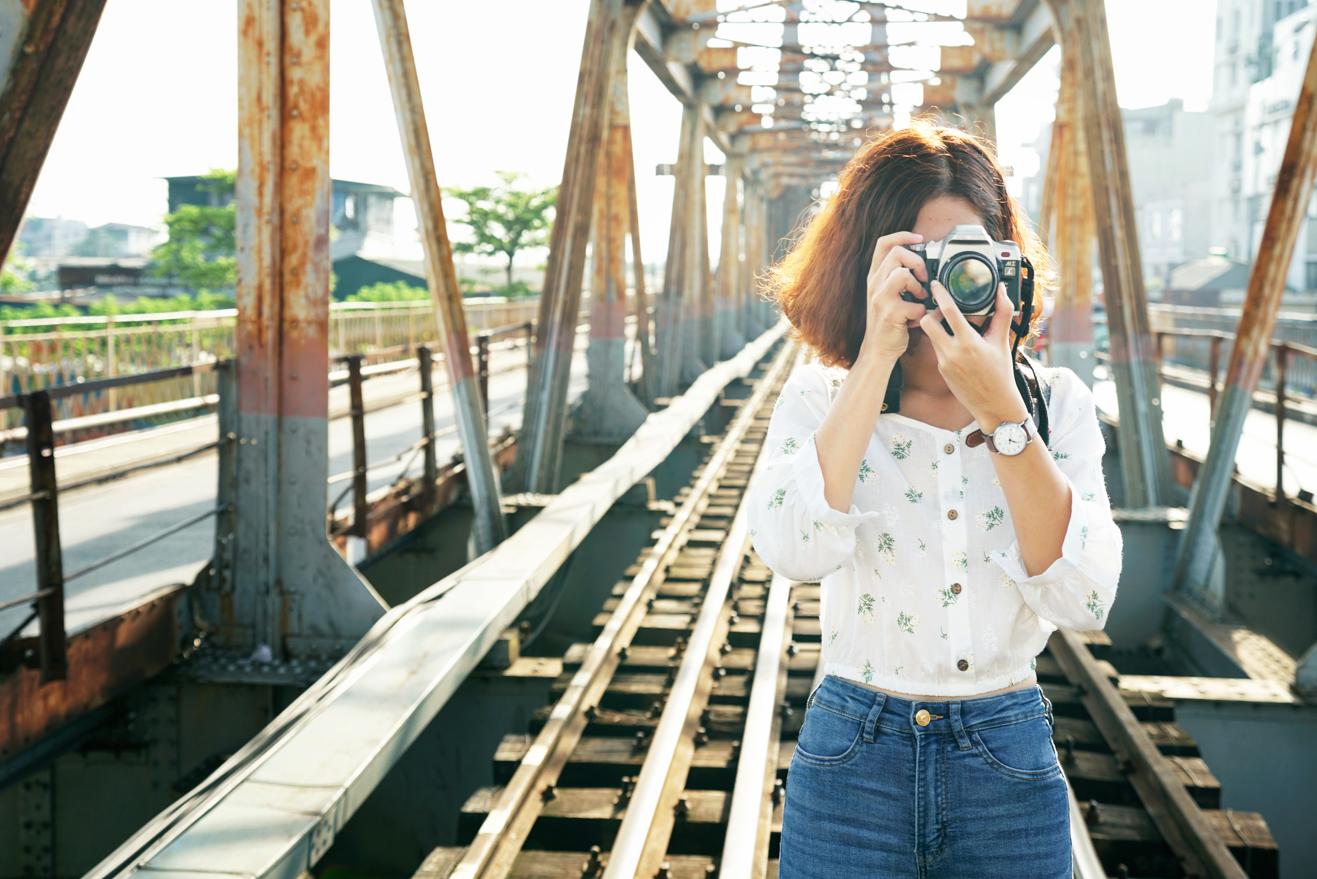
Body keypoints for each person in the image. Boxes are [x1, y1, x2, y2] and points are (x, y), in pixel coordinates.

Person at [747, 125, 1121, 879]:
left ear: (1005, 263)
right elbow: (790, 550)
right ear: (869, 264)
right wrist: (875, 354)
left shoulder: (1055, 408)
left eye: (969, 255)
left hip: (1005, 752)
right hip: (852, 748)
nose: (949, 281)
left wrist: (1002, 416)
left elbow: (1085, 597)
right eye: (920, 258)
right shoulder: (822, 399)